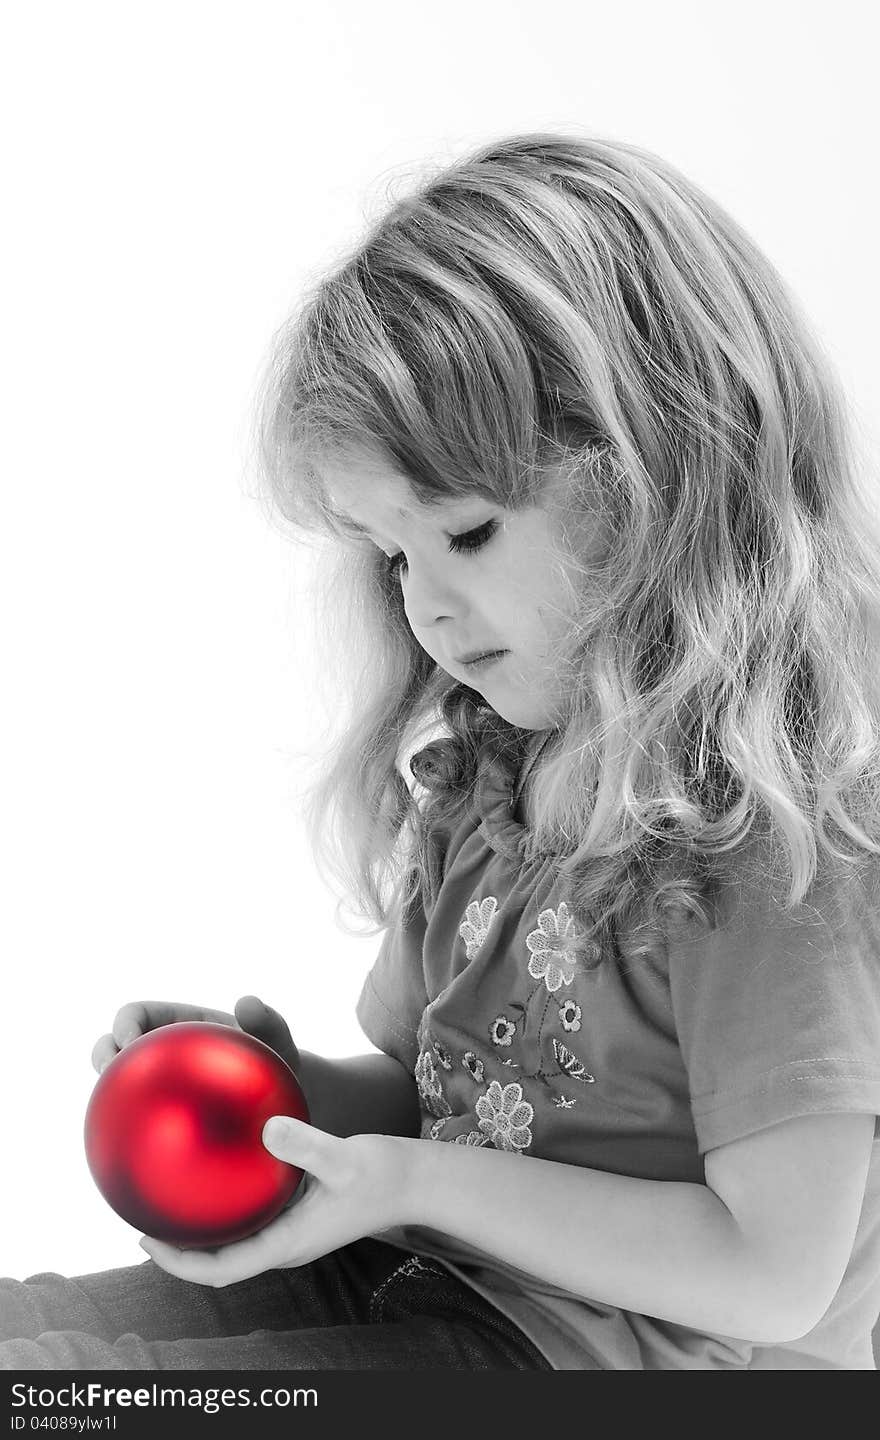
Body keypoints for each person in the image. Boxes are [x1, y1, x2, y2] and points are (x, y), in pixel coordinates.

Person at [2, 130, 880, 1371]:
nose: (423, 607)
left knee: (72, 1396)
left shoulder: (761, 843)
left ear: (659, 477)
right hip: (430, 1285)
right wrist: (282, 1099)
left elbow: (772, 1274)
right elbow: (438, 1105)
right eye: (391, 552)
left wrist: (409, 1183)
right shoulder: (489, 779)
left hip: (606, 1362)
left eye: (466, 532)